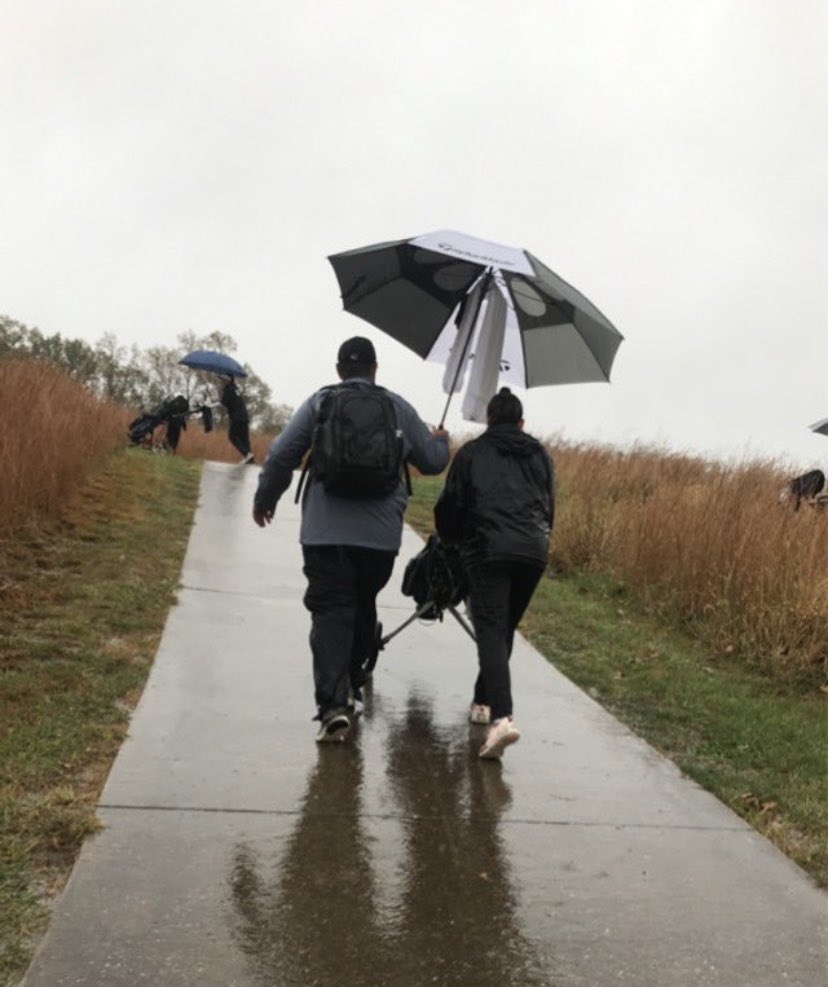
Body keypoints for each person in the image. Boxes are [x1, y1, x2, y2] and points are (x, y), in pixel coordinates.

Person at [253, 336, 450, 743]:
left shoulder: (320, 403)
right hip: (380, 538)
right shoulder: (397, 407)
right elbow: (432, 461)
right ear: (375, 369)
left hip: (325, 534)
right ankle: (354, 677)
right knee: (361, 602)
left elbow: (281, 455)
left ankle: (333, 705)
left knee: (330, 611)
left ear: (340, 369)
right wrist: (442, 439)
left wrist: (265, 498)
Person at [434, 386, 554, 760]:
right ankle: (483, 701)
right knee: (501, 631)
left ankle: (501, 718)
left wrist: (452, 541)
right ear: (521, 423)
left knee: (490, 629)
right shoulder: (541, 455)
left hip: (487, 550)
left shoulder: (473, 452)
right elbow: (549, 506)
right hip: (533, 550)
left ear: (489, 420)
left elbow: (450, 507)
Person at [218, 375, 254, 464]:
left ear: (228, 380)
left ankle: (247, 454)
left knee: (232, 436)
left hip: (237, 417)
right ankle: (250, 460)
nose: (222, 381)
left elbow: (224, 402)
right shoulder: (235, 389)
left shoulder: (229, 389)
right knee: (244, 439)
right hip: (244, 416)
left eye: (223, 379)